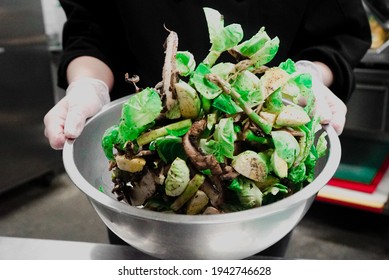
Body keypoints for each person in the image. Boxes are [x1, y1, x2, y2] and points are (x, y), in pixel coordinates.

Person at [43, 0, 372, 257]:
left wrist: (307, 77)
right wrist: (88, 84)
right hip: (142, 199)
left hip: (257, 215)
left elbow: (337, 34)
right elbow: (90, 29)